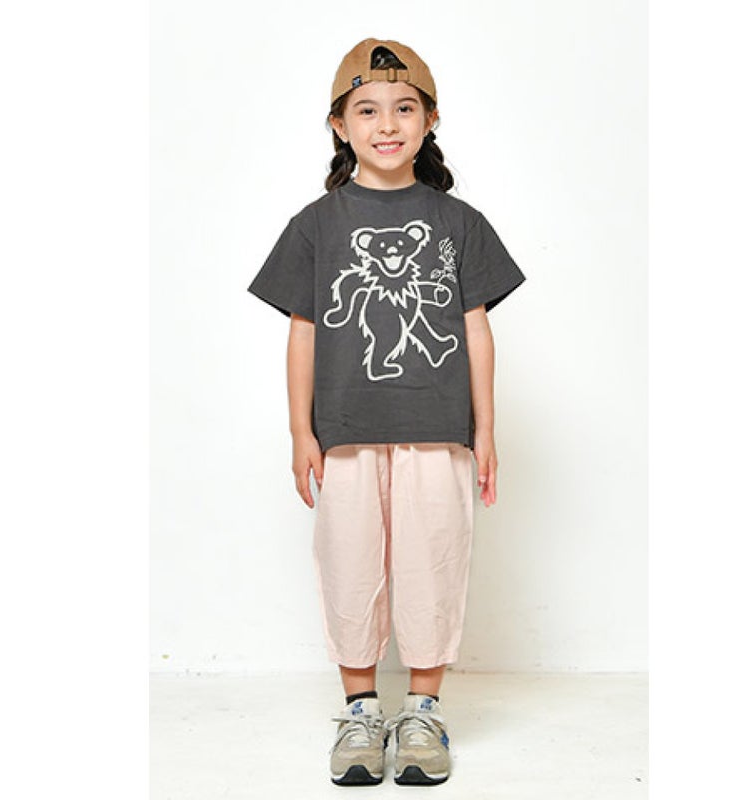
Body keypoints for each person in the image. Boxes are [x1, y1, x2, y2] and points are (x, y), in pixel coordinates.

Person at [248, 37, 525, 786]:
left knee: (434, 558)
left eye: (404, 108)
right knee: (350, 560)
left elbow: (475, 329)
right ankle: (362, 711)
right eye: (367, 110)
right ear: (339, 126)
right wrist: (301, 429)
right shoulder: (316, 224)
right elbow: (303, 332)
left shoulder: (459, 222)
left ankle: (425, 712)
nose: (387, 124)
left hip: (438, 427)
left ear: (430, 120)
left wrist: (486, 429)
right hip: (345, 431)